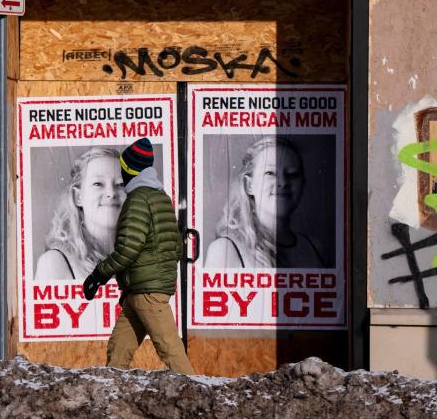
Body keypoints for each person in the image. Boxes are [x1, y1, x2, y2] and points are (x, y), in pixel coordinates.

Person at [83, 137, 195, 375]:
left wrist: (98, 275)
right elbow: (176, 246)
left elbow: (128, 250)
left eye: (122, 169)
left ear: (130, 170)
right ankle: (111, 392)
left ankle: (200, 392)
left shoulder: (138, 200)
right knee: (118, 349)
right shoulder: (160, 196)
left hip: (147, 292)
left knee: (170, 350)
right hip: (140, 290)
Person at [203, 136, 326, 269]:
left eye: (292, 174)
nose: (282, 182)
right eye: (270, 173)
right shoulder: (226, 250)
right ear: (249, 185)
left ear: (302, 184)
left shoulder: (315, 249)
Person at [35, 147, 125, 280]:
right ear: (78, 197)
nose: (111, 193)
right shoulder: (55, 263)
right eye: (98, 184)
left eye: (121, 184)